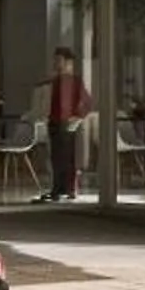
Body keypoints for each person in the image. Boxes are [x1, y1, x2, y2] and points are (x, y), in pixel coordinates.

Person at [46, 47, 94, 201]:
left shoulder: (74, 81)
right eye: (55, 60)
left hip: (66, 123)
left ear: (68, 62)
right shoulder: (54, 81)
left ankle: (70, 189)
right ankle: (57, 188)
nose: (55, 63)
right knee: (56, 157)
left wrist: (77, 118)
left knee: (67, 157)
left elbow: (88, 102)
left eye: (58, 60)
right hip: (53, 122)